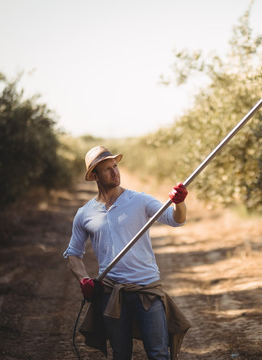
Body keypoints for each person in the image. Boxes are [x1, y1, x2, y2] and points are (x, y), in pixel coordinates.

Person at [63, 145, 191, 360]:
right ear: (94, 175)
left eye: (115, 166)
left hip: (147, 290)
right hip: (111, 294)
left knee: (158, 353)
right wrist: (84, 280)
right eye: (107, 169)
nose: (115, 172)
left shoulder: (139, 201)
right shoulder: (84, 214)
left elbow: (176, 220)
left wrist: (180, 203)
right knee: (120, 355)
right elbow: (73, 255)